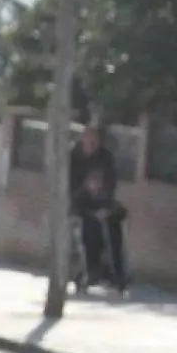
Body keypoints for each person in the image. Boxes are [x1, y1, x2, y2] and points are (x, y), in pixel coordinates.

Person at [70, 125, 129, 293]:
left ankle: (118, 275)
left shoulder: (105, 157)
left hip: (102, 202)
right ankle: (89, 271)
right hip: (81, 204)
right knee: (89, 227)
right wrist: (86, 188)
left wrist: (104, 203)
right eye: (89, 139)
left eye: (95, 140)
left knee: (116, 220)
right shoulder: (73, 157)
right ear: (83, 139)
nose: (92, 143)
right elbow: (70, 185)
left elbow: (111, 182)